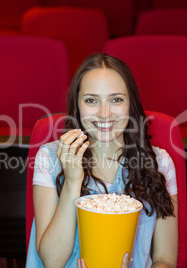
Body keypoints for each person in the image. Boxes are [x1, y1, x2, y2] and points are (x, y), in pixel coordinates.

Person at [26, 53, 178, 268]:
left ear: (130, 104)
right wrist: (72, 181)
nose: (104, 113)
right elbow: (51, 261)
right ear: (77, 106)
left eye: (116, 100)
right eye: (91, 100)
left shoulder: (161, 163)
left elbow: (165, 259)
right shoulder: (50, 157)